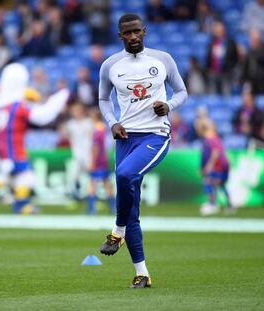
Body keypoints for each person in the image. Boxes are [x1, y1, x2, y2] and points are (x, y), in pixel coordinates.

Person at [98, 13, 187, 288]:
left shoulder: (163, 59)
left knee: (125, 175)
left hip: (155, 135)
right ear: (120, 35)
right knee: (130, 204)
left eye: (137, 31)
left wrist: (169, 105)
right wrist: (112, 123)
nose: (133, 36)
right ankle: (142, 273)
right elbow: (103, 99)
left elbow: (182, 91)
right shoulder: (110, 65)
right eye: (127, 33)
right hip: (125, 138)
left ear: (144, 31)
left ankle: (117, 231)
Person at [0, 63, 70, 214]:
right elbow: (41, 117)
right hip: (14, 146)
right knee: (24, 176)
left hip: (5, 146)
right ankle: (17, 202)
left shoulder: (1, 106)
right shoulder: (16, 106)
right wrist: (59, 98)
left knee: (12, 176)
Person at [196, 118, 234, 216]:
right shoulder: (213, 137)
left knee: (208, 182)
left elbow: (215, 153)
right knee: (220, 184)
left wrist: (209, 166)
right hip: (222, 165)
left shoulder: (210, 138)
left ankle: (212, 204)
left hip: (218, 166)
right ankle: (229, 205)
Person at [63, 102, 94, 201]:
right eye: (73, 111)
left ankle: (92, 197)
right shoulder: (70, 124)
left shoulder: (88, 122)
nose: (75, 112)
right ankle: (77, 195)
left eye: (77, 110)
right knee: (74, 175)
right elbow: (66, 135)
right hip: (76, 153)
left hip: (88, 153)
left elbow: (93, 138)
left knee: (92, 175)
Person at [87, 107, 116, 214]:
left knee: (92, 182)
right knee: (106, 182)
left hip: (98, 159)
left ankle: (91, 208)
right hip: (104, 158)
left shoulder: (97, 130)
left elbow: (95, 147)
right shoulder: (103, 128)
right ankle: (113, 207)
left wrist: (92, 161)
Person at [205, 21, 239, 95]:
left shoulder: (230, 42)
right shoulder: (212, 42)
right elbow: (209, 57)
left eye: (218, 29)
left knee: (226, 94)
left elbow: (235, 58)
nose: (216, 31)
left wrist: (230, 68)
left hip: (226, 73)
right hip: (213, 73)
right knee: (213, 96)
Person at [241, 29, 264, 95]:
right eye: (251, 38)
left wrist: (252, 50)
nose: (252, 41)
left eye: (254, 39)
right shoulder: (250, 50)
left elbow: (262, 58)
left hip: (262, 81)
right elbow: (246, 65)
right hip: (251, 80)